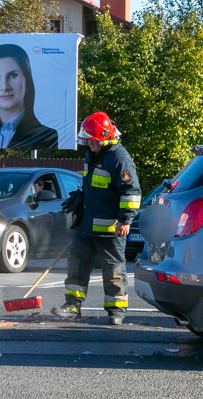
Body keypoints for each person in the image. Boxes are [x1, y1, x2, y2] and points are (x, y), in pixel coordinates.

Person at [52, 111, 141, 326]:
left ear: (106, 138)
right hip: (87, 223)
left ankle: (116, 311)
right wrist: (80, 197)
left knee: (113, 269)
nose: (90, 146)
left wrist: (125, 220)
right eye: (88, 142)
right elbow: (93, 185)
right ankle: (72, 306)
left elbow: (131, 191)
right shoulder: (93, 155)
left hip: (111, 227)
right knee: (77, 264)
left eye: (93, 142)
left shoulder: (119, 159)